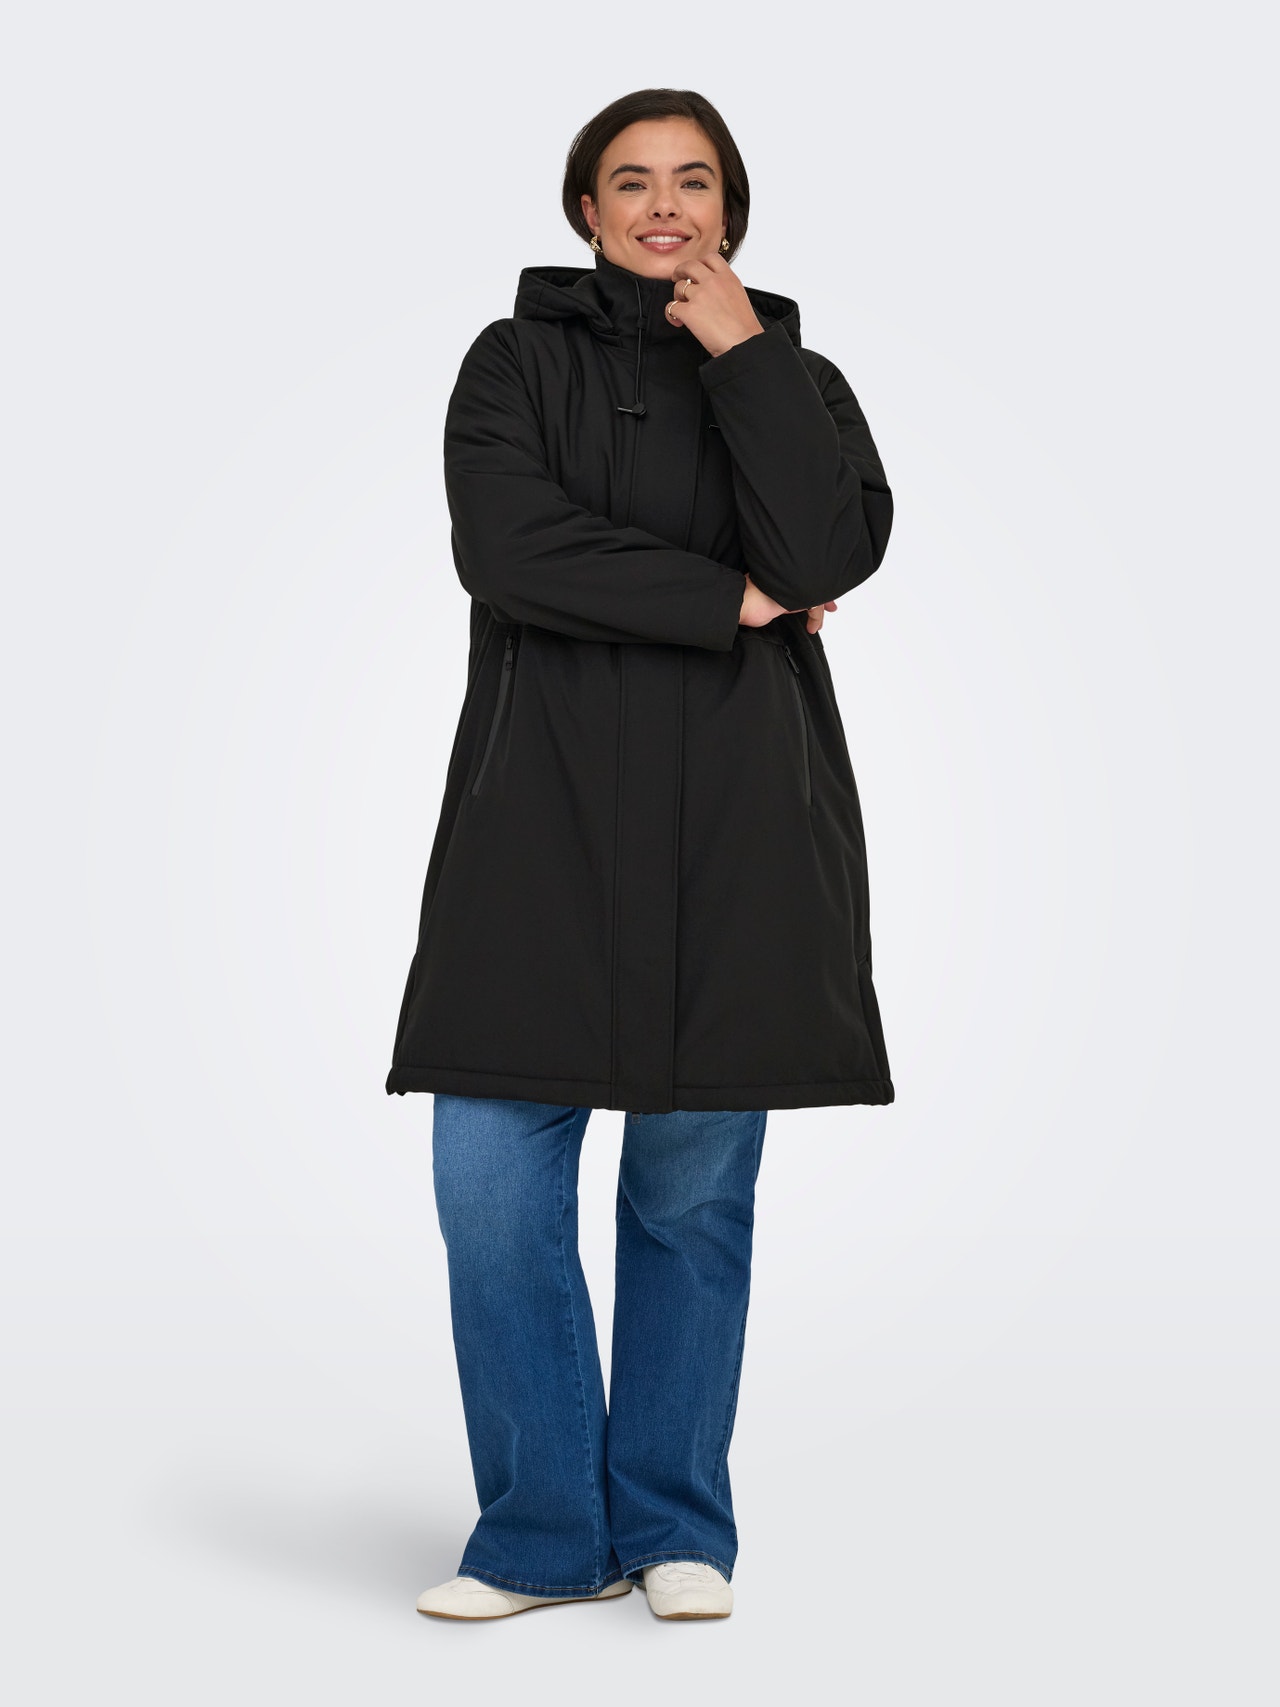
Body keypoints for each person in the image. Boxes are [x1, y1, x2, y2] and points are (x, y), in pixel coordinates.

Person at [387, 87, 895, 1621]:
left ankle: (676, 1529)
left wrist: (744, 358)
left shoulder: (797, 378)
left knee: (690, 1201)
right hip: (534, 826)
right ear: (585, 209)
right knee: (492, 1184)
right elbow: (506, 548)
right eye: (631, 181)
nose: (663, 205)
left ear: (730, 207)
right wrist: (727, 598)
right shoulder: (513, 363)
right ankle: (542, 1533)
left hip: (741, 832)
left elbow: (829, 550)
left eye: (692, 181)